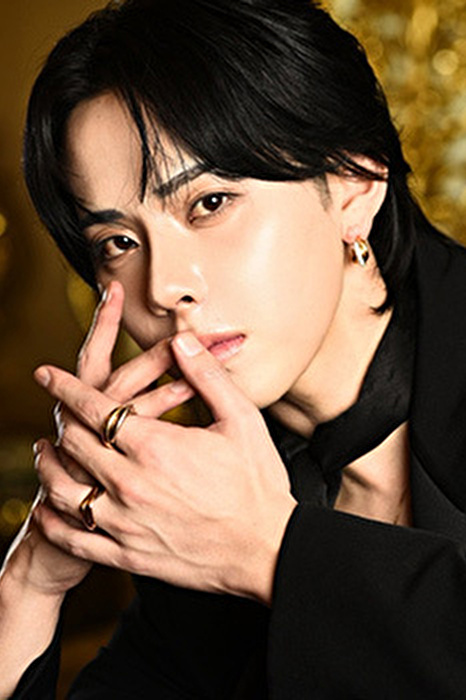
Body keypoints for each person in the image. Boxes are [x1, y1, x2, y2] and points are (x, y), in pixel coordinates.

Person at [2, 0, 466, 696]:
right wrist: (30, 580)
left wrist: (272, 553)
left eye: (209, 203)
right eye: (118, 242)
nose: (164, 287)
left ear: (354, 182)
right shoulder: (202, 489)